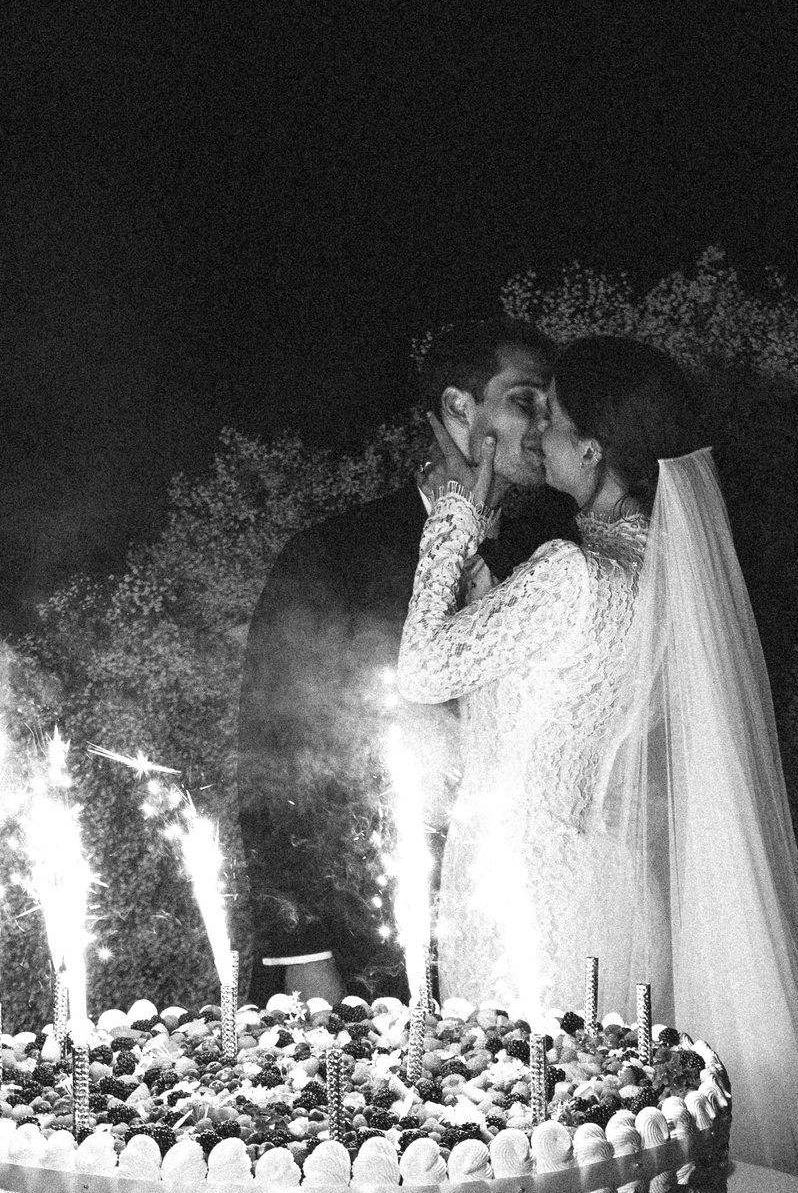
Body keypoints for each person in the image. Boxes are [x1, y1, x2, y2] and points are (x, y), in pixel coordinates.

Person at [398, 333, 798, 1188]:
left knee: (527, 1138)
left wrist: (450, 523)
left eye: (555, 415)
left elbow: (425, 669)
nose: (537, 431)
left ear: (594, 450)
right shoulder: (659, 564)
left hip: (524, 892)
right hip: (607, 880)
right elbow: (533, 682)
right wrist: (479, 569)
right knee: (604, 1133)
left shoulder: (569, 571)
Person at [235, 322, 571, 996]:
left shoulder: (556, 555)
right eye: (526, 400)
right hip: (363, 946)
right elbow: (271, 756)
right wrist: (302, 952)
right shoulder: (332, 555)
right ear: (459, 408)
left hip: (525, 931)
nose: (546, 424)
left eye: (553, 406)